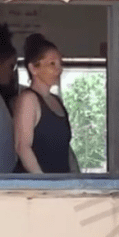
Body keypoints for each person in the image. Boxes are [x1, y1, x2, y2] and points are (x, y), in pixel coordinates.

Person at [12, 33, 79, 174]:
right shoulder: (28, 99)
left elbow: (65, 147)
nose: (59, 69)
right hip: (36, 189)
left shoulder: (57, 101)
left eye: (61, 64)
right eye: (52, 64)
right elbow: (22, 147)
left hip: (60, 186)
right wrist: (44, 183)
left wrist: (76, 176)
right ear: (33, 68)